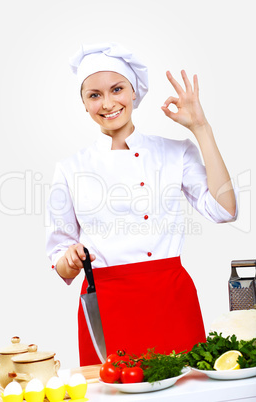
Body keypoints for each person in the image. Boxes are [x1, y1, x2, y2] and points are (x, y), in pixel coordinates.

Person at [46, 43, 237, 366]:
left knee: (187, 390)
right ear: (84, 103)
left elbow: (225, 210)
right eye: (94, 95)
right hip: (105, 304)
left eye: (117, 89)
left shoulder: (175, 152)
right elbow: (60, 259)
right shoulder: (69, 169)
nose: (107, 103)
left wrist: (200, 128)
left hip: (171, 298)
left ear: (134, 92)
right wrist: (71, 259)